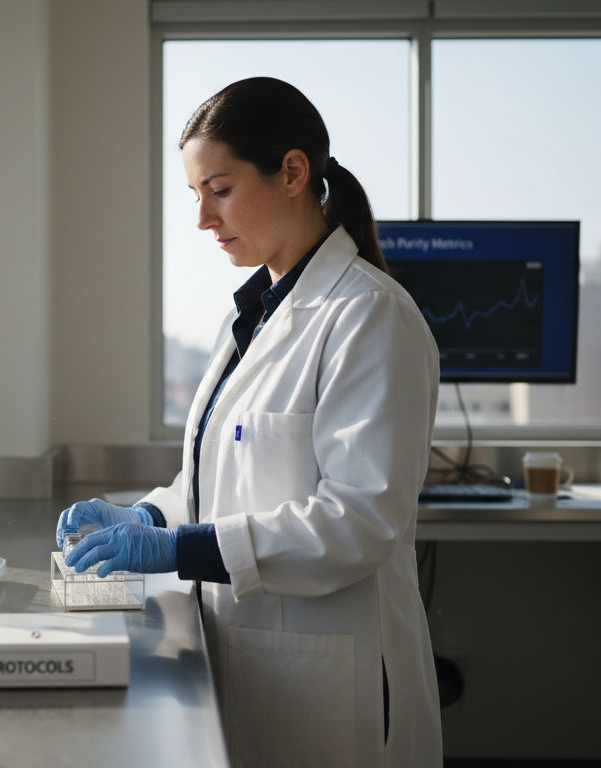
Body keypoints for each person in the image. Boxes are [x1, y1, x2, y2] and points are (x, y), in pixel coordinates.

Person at [57, 77, 442, 767]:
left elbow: (359, 520)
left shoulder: (369, 315)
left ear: (293, 171)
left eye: (221, 189)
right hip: (255, 661)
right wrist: (149, 517)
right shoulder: (254, 315)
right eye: (195, 194)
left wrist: (183, 550)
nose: (203, 218)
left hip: (334, 679)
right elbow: (224, 476)